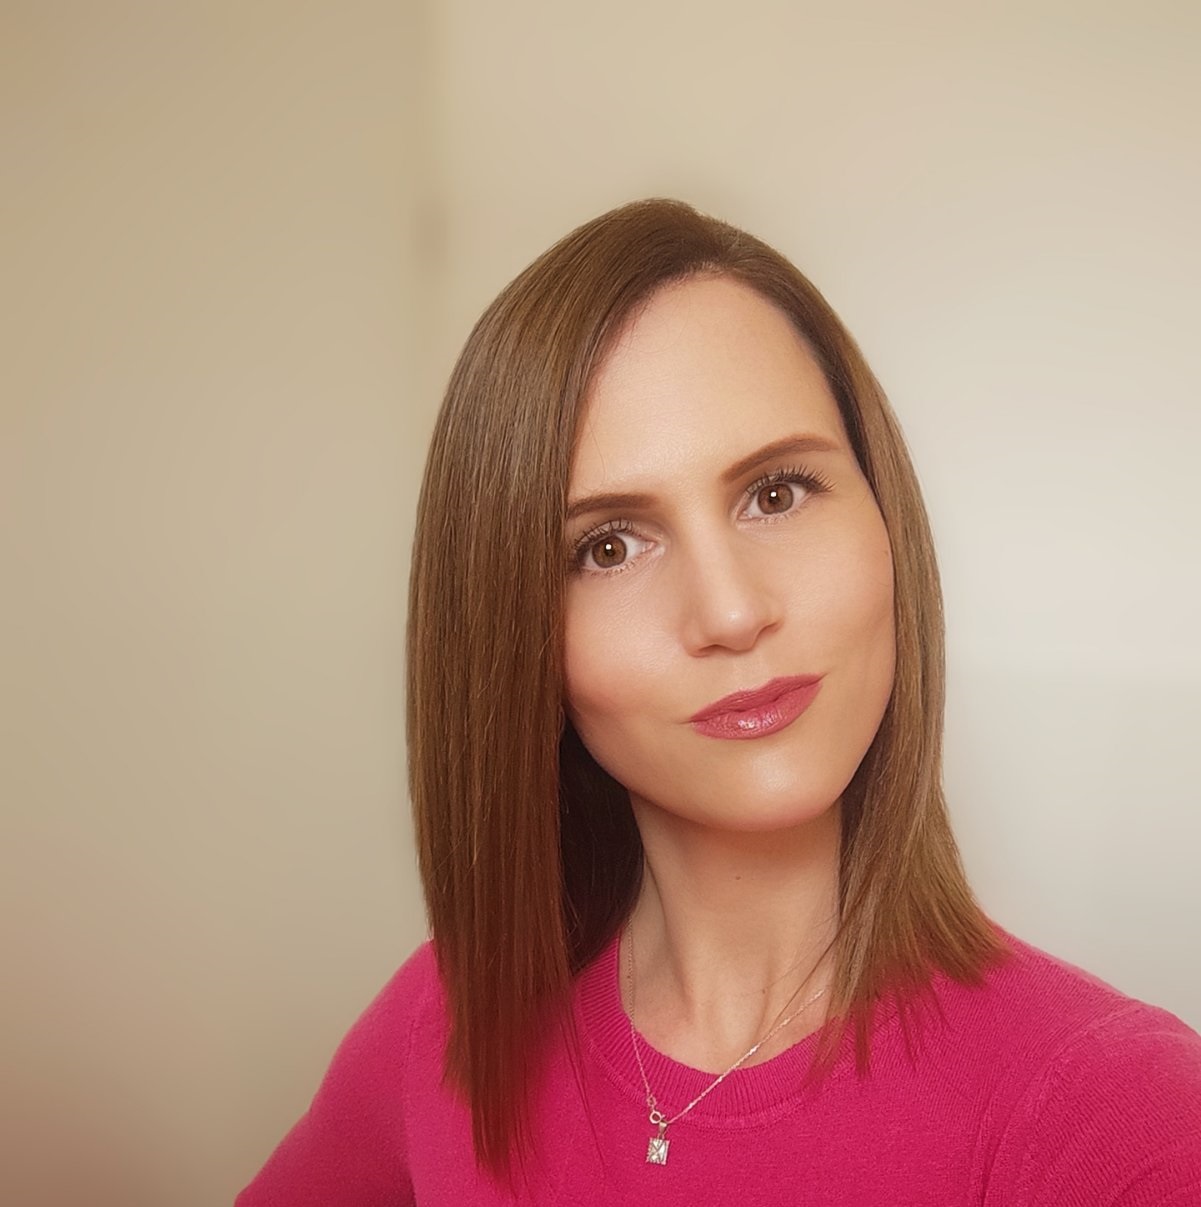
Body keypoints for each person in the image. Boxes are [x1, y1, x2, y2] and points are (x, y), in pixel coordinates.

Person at [236, 199, 1201, 1205]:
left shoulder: (1119, 1121)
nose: (731, 612)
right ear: (514, 634)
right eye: (608, 546)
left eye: (775, 492)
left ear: (884, 517)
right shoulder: (445, 1022)